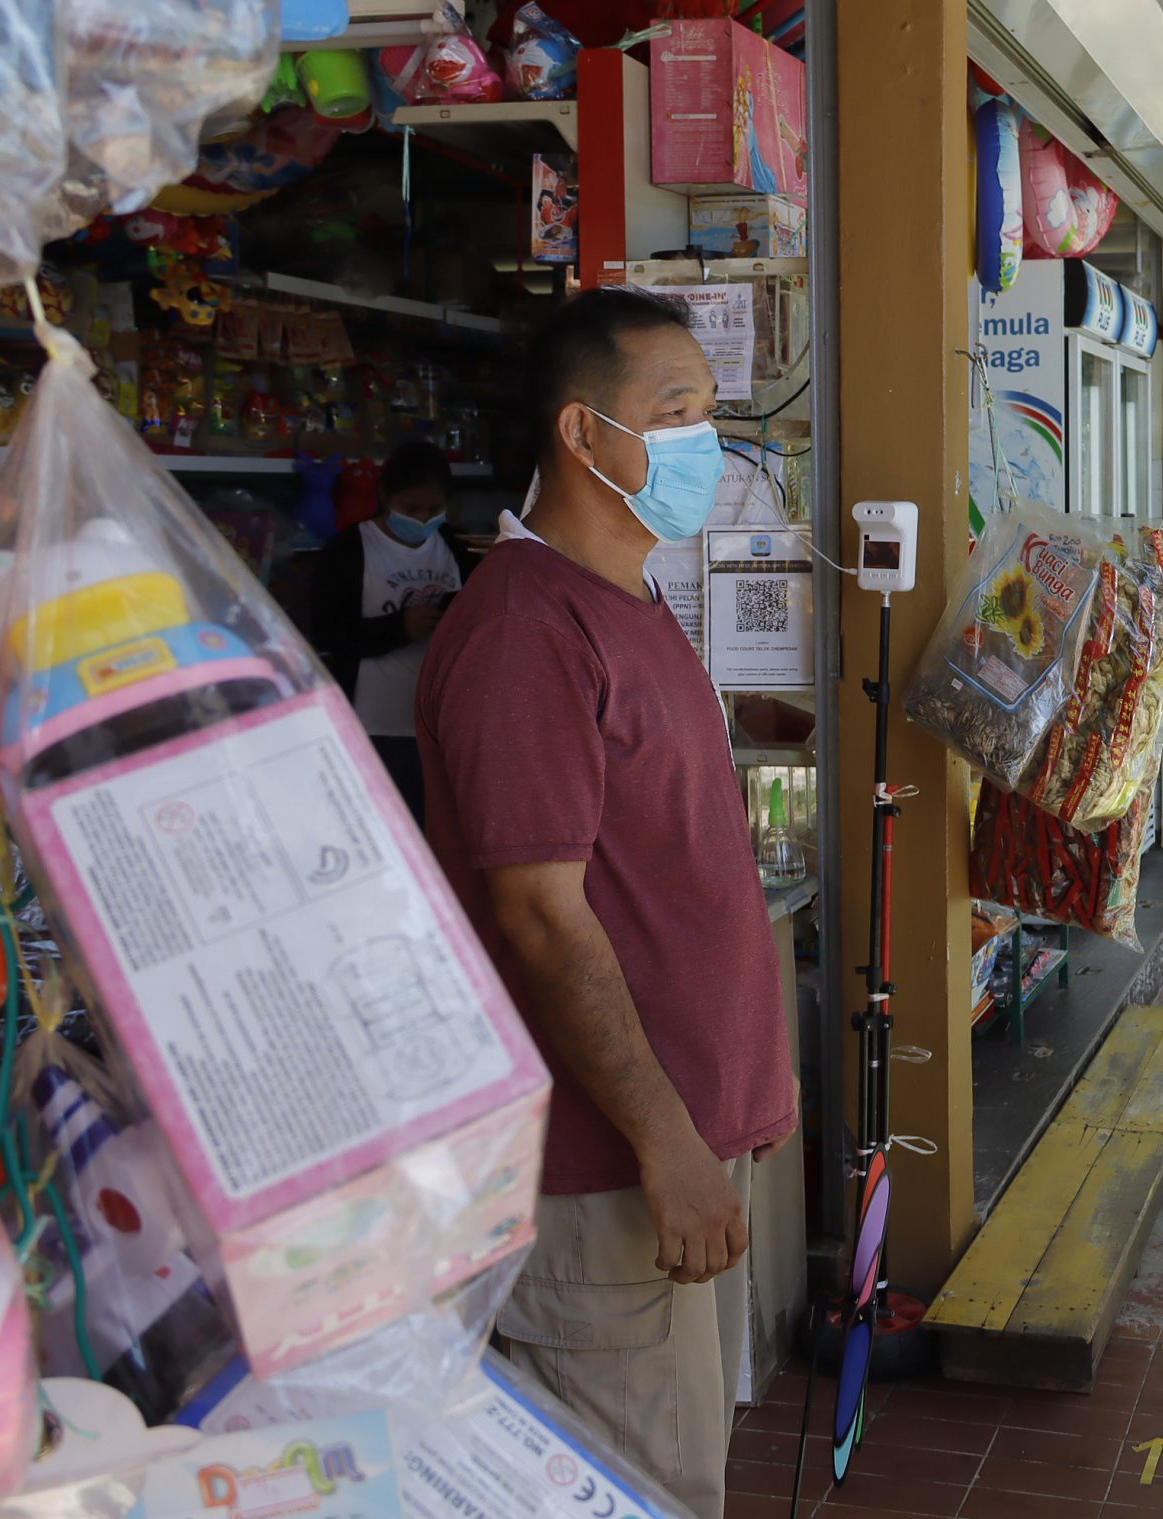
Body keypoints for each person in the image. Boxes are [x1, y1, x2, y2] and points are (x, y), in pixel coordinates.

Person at [417, 288, 797, 1519]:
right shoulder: (525, 629)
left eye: (709, 411)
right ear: (585, 437)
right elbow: (540, 915)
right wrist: (668, 1138)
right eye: (675, 414)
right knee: (640, 1494)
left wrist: (737, 1100)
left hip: (670, 1159)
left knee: (679, 1468)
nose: (706, 443)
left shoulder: (624, 596)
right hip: (603, 1181)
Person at [309, 439, 475, 825]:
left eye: (433, 510)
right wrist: (398, 628)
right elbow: (326, 634)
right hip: (372, 725)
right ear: (385, 497)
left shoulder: (458, 548)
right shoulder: (348, 551)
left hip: (442, 728)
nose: (422, 520)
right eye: (411, 509)